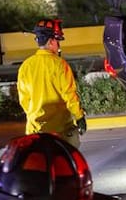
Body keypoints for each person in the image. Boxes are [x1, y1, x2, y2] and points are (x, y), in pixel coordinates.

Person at [17, 17, 87, 148]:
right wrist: (79, 117)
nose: (59, 45)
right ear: (50, 42)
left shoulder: (25, 66)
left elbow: (24, 100)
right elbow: (69, 95)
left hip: (35, 130)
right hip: (60, 131)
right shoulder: (60, 65)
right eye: (57, 41)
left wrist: (35, 115)